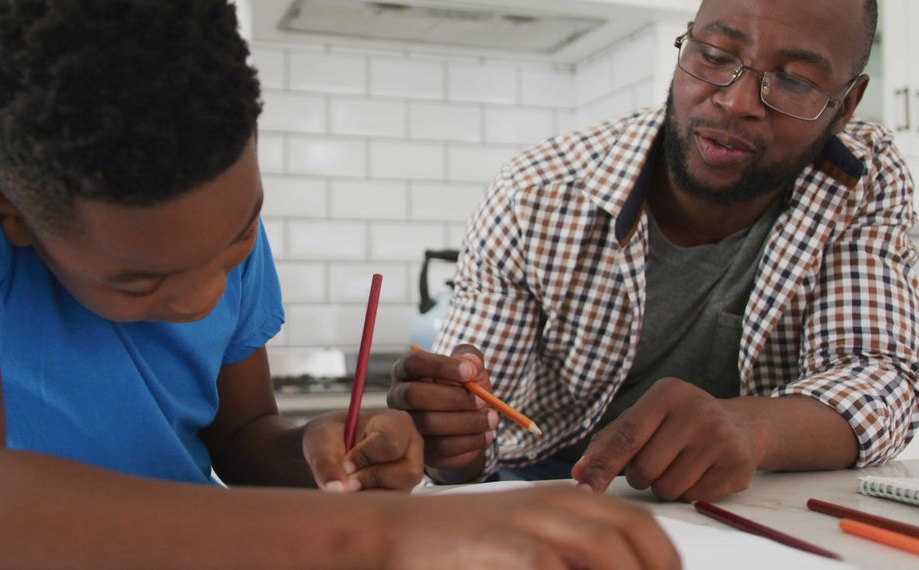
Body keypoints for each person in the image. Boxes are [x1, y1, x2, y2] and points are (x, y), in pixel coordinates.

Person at [0, 1, 681, 568]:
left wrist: (318, 454)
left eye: (238, 240)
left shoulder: (216, 220)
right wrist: (381, 531)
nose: (206, 295)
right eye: (142, 281)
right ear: (15, 217)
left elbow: (241, 435)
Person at [390, 0, 918, 502]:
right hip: (547, 483)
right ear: (685, 46)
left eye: (796, 80)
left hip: (747, 493)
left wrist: (752, 427)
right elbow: (468, 446)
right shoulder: (535, 193)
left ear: (846, 105)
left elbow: (878, 378)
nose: (736, 102)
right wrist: (449, 439)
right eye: (713, 56)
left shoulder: (862, 179)